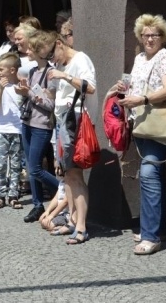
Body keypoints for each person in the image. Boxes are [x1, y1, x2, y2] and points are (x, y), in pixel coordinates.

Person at [114, 14, 166, 255]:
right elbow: (135, 83)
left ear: (163, 37)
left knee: (149, 173)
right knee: (154, 174)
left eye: (155, 35)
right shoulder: (139, 57)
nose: (150, 39)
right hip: (140, 121)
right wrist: (124, 88)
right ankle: (157, 228)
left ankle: (151, 235)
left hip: (156, 121)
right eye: (146, 35)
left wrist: (141, 98)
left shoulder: (165, 56)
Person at [48, 32, 96, 245]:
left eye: (52, 54)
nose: (52, 60)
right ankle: (71, 219)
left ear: (59, 43)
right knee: (67, 175)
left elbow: (91, 87)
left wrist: (65, 76)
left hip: (75, 122)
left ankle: (81, 226)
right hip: (62, 122)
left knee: (75, 175)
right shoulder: (63, 63)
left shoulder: (80, 59)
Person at [17, 30, 59, 223]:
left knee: (34, 168)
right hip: (27, 121)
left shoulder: (51, 74)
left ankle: (63, 189)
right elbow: (31, 96)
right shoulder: (33, 71)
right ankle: (37, 205)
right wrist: (23, 92)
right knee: (30, 164)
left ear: (40, 50)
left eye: (31, 47)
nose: (27, 50)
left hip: (41, 125)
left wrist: (31, 94)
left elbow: (51, 105)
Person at [0, 52, 25, 210]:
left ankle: (13, 194)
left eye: (2, 69)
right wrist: (1, 90)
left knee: (16, 163)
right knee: (1, 163)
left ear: (12, 70)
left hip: (17, 129)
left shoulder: (21, 85)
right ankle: (0, 194)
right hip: (1, 129)